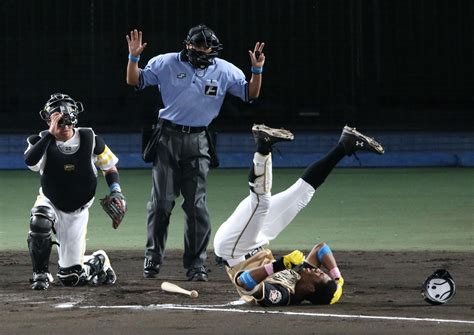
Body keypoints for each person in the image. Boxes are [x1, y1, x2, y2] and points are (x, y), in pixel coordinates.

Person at [125, 24, 265, 281]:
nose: (205, 50)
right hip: (167, 139)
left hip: (199, 140)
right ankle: (152, 259)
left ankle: (196, 265)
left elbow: (250, 93)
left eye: (209, 46)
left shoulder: (224, 70)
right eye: (200, 45)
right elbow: (135, 80)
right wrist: (134, 57)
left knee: (196, 206)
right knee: (161, 204)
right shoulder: (166, 63)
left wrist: (257, 69)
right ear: (188, 45)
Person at [214, 124, 384, 306]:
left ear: (310, 289)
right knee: (303, 194)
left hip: (234, 249)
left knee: (261, 202)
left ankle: (263, 147)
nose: (318, 270)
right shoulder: (300, 277)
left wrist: (280, 264)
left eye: (319, 275)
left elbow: (244, 282)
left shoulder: (282, 295)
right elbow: (321, 249)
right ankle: (346, 145)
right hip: (257, 239)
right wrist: (337, 278)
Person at [24, 93, 127, 290]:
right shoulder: (40, 141)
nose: (63, 127)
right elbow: (30, 162)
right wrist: (50, 135)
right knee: (40, 219)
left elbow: (110, 167)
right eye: (58, 122)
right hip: (50, 200)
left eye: (66, 122)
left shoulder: (90, 139)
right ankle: (41, 274)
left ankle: (99, 261)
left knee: (70, 277)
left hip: (76, 211)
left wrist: (116, 191)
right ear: (48, 120)